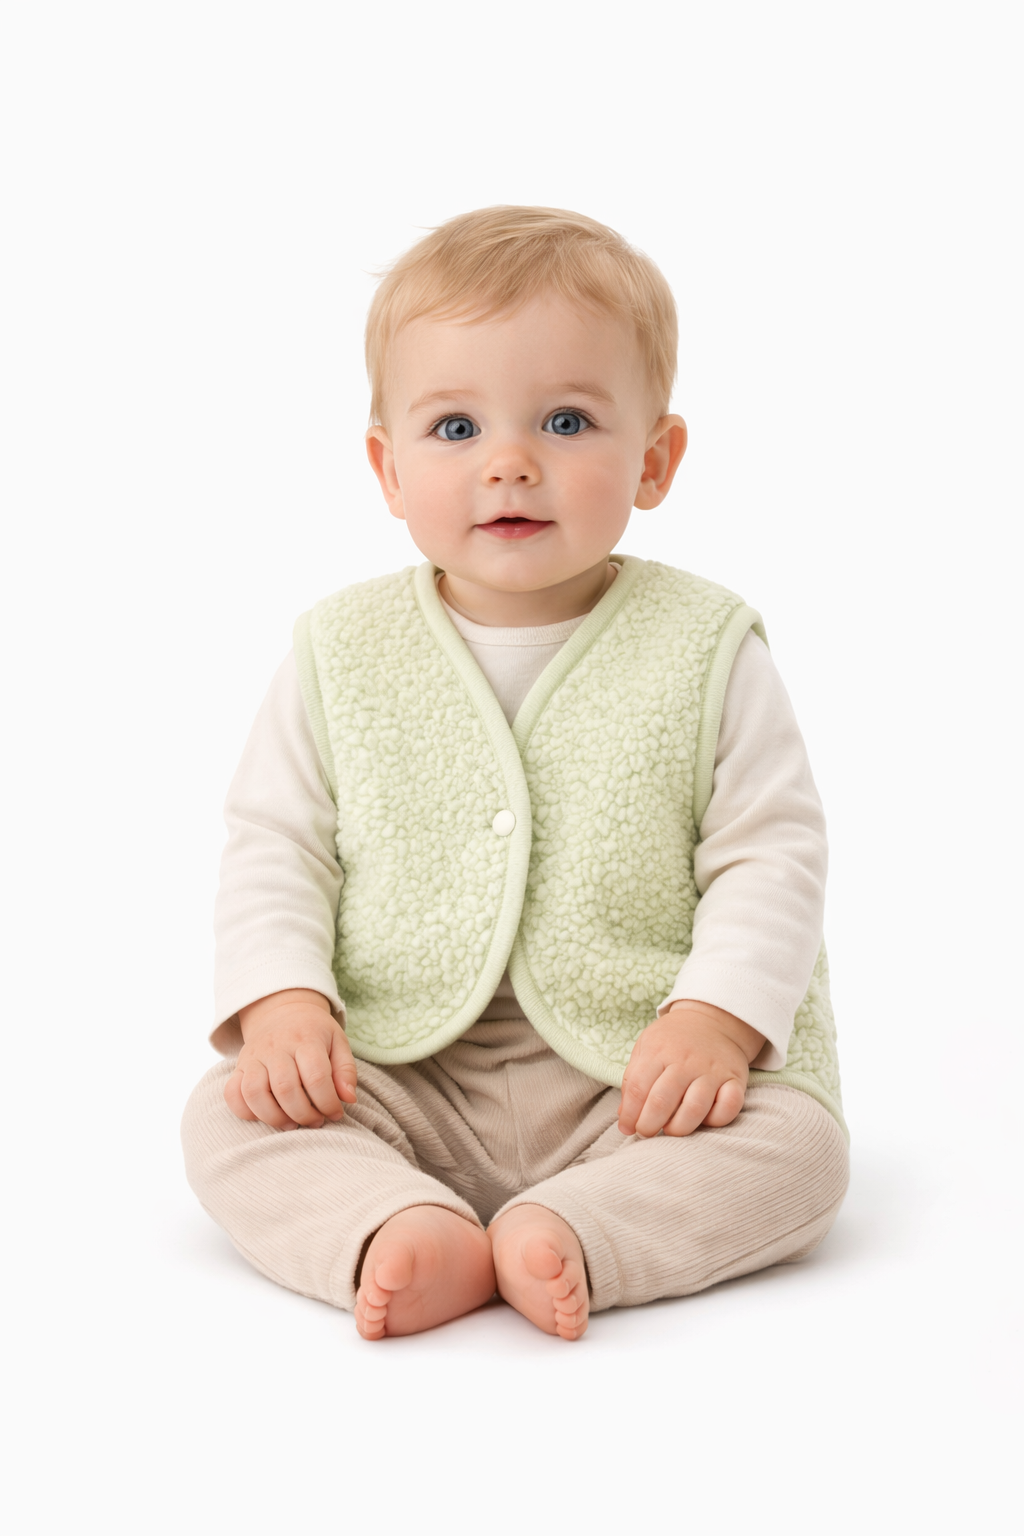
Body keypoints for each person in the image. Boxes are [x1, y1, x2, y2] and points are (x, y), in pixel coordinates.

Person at [181, 206, 849, 1342]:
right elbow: (275, 846)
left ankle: (582, 1226)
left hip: (640, 1075)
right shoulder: (339, 652)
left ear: (654, 460)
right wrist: (284, 1003)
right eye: (454, 427)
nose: (509, 462)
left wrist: (714, 1021)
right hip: (401, 1070)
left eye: (565, 420)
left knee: (801, 1152)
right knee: (227, 1117)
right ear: (388, 469)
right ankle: (394, 1220)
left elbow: (771, 853)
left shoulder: (707, 649)